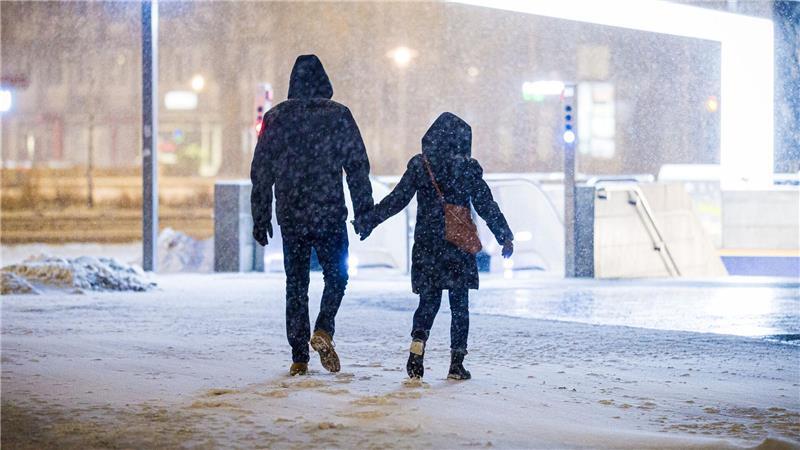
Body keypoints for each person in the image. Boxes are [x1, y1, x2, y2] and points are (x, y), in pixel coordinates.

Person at [354, 112, 513, 380]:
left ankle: (416, 353)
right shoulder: (468, 168)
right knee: (459, 306)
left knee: (428, 302)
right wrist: (504, 235)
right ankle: (456, 364)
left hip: (429, 245)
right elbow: (486, 204)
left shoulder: (421, 165)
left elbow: (397, 199)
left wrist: (368, 221)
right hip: (458, 244)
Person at [250, 54, 373, 376]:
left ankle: (298, 356)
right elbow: (357, 167)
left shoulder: (277, 118)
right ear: (324, 82)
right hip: (329, 210)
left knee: (296, 284)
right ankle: (324, 328)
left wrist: (260, 214)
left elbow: (261, 171)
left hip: (291, 213)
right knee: (338, 276)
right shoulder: (339, 116)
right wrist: (364, 211)